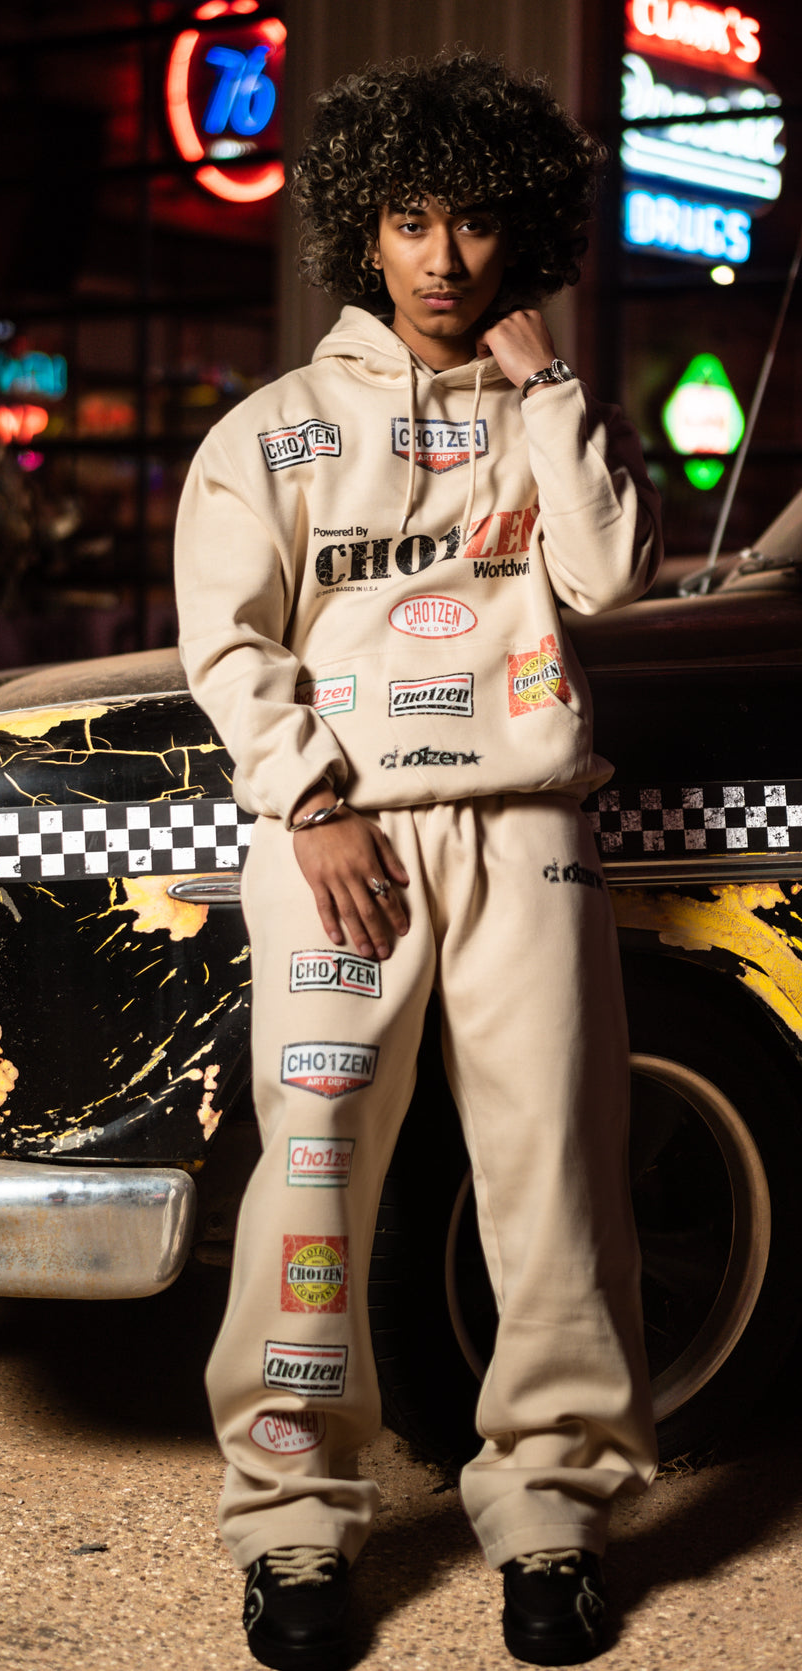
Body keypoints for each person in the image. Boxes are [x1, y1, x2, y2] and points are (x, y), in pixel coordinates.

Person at [175, 49, 662, 1671]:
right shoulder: (274, 433)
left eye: (474, 222)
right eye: (409, 220)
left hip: (528, 830)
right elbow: (227, 644)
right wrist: (309, 803)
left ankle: (552, 1514)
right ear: (362, 231)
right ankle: (292, 1526)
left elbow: (609, 580)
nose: (444, 258)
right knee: (313, 1174)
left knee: (557, 1178)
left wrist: (553, 389)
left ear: (525, 230)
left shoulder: (549, 411)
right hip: (342, 846)